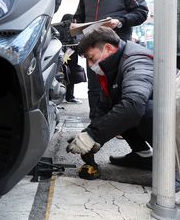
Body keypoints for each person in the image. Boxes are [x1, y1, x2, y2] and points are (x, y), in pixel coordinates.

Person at [72, 0, 149, 119]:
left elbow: (142, 12)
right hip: (93, 49)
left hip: (117, 48)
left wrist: (119, 21)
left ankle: (121, 124)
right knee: (94, 87)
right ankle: (96, 122)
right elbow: (79, 18)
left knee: (119, 85)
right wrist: (78, 35)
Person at [66, 27, 154, 172]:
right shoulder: (114, 66)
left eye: (91, 57)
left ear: (108, 48)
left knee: (143, 110)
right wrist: (88, 135)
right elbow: (104, 108)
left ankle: (175, 169)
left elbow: (133, 106)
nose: (89, 64)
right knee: (117, 106)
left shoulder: (136, 61)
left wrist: (93, 135)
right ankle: (143, 156)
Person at [53, 13, 86, 103]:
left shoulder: (58, 28)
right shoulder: (67, 29)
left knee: (63, 75)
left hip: (64, 54)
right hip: (69, 54)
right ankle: (69, 96)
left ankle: (65, 96)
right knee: (68, 75)